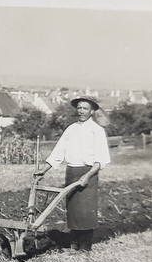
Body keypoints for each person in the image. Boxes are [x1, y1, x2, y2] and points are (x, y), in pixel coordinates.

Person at [33, 95, 111, 252]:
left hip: (88, 173)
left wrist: (87, 175)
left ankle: (85, 247)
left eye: (85, 108)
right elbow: (58, 153)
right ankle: (74, 243)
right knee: (74, 211)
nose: (81, 111)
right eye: (79, 108)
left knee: (86, 211)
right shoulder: (71, 129)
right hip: (71, 172)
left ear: (92, 111)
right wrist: (43, 170)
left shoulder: (97, 131)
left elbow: (100, 159)